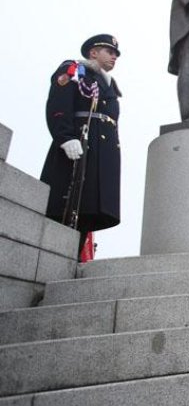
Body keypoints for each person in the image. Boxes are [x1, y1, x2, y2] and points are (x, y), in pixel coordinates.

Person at [40, 34, 122, 253]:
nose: (114, 57)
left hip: (101, 155)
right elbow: (59, 103)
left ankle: (75, 256)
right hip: (78, 146)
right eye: (110, 52)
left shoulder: (108, 84)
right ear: (93, 52)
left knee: (87, 210)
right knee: (65, 206)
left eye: (116, 54)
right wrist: (65, 137)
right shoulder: (75, 70)